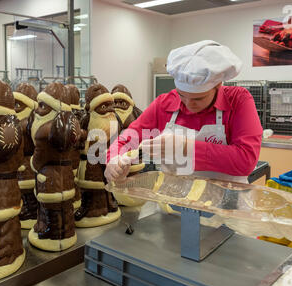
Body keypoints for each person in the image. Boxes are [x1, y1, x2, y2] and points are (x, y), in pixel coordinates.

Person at [105, 40, 263, 184]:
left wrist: (186, 147)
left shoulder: (238, 100)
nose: (188, 103)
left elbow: (246, 161)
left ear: (217, 86)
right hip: (174, 203)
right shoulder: (164, 103)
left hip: (226, 207)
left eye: (198, 99)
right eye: (182, 95)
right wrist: (114, 160)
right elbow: (128, 138)